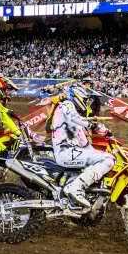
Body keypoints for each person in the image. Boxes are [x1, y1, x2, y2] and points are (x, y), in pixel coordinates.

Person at [49, 83, 115, 211]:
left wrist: (105, 131)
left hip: (72, 151)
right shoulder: (66, 105)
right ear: (77, 96)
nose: (86, 102)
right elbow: (76, 118)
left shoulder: (73, 115)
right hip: (65, 151)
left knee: (101, 156)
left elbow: (84, 135)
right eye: (85, 99)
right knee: (108, 159)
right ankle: (76, 187)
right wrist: (93, 126)